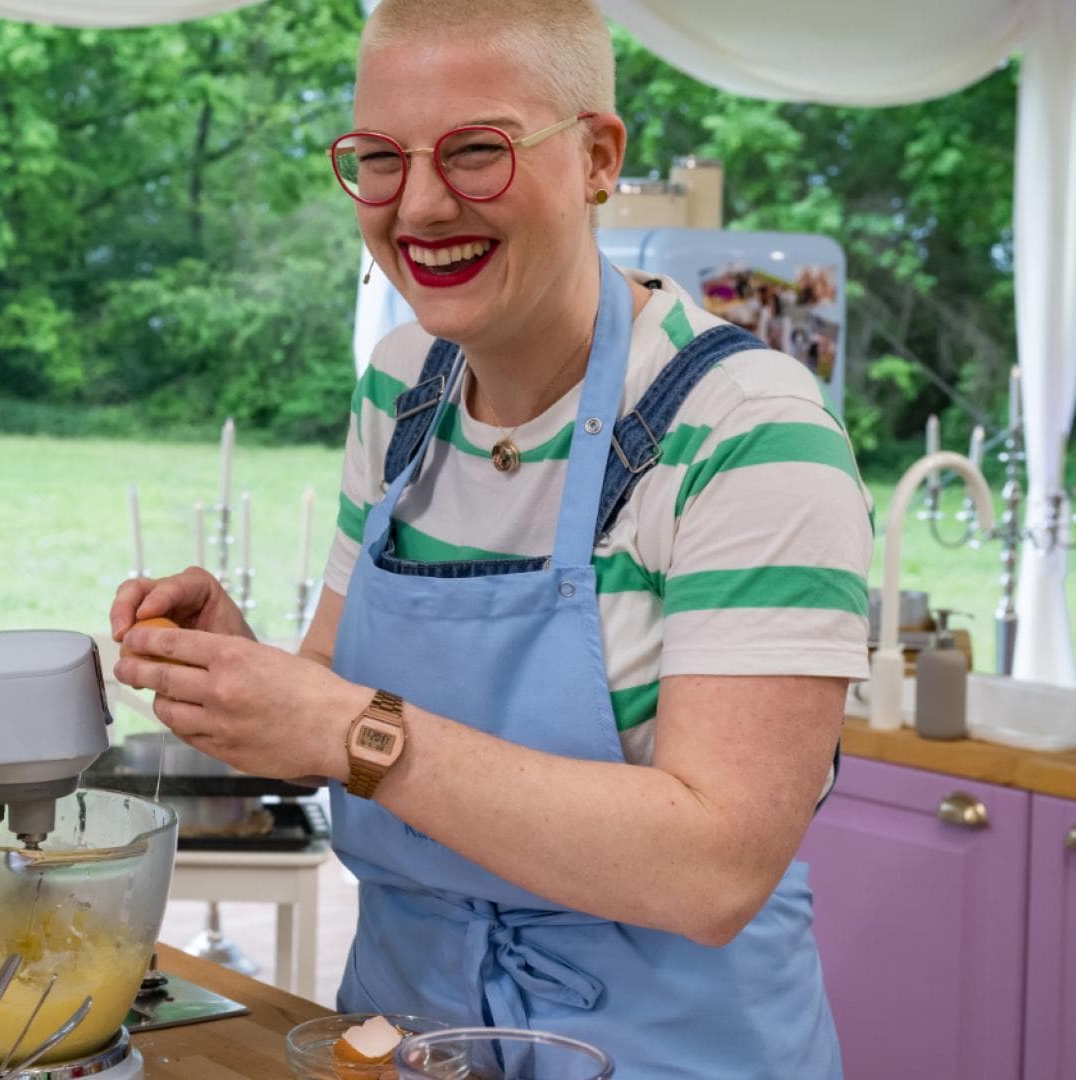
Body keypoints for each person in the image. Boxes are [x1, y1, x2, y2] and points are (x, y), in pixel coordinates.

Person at [108, 2, 870, 1075]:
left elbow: (714, 870)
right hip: (401, 1043)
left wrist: (346, 728)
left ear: (598, 157)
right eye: (381, 158)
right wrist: (246, 681)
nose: (420, 206)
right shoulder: (402, 391)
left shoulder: (749, 433)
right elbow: (334, 698)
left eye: (476, 150)